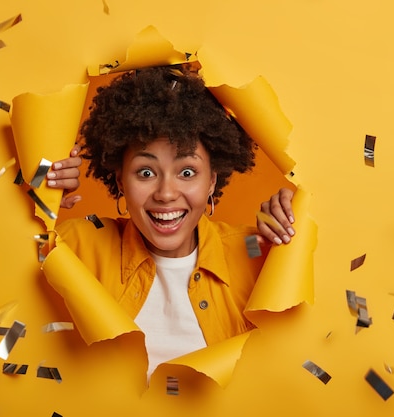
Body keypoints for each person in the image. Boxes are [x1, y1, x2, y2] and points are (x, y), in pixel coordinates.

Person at [45, 65, 295, 376]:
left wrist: (293, 233)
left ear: (212, 181)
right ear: (120, 180)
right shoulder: (76, 247)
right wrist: (39, 203)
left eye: (187, 172)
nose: (165, 193)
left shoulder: (256, 254)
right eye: (146, 173)